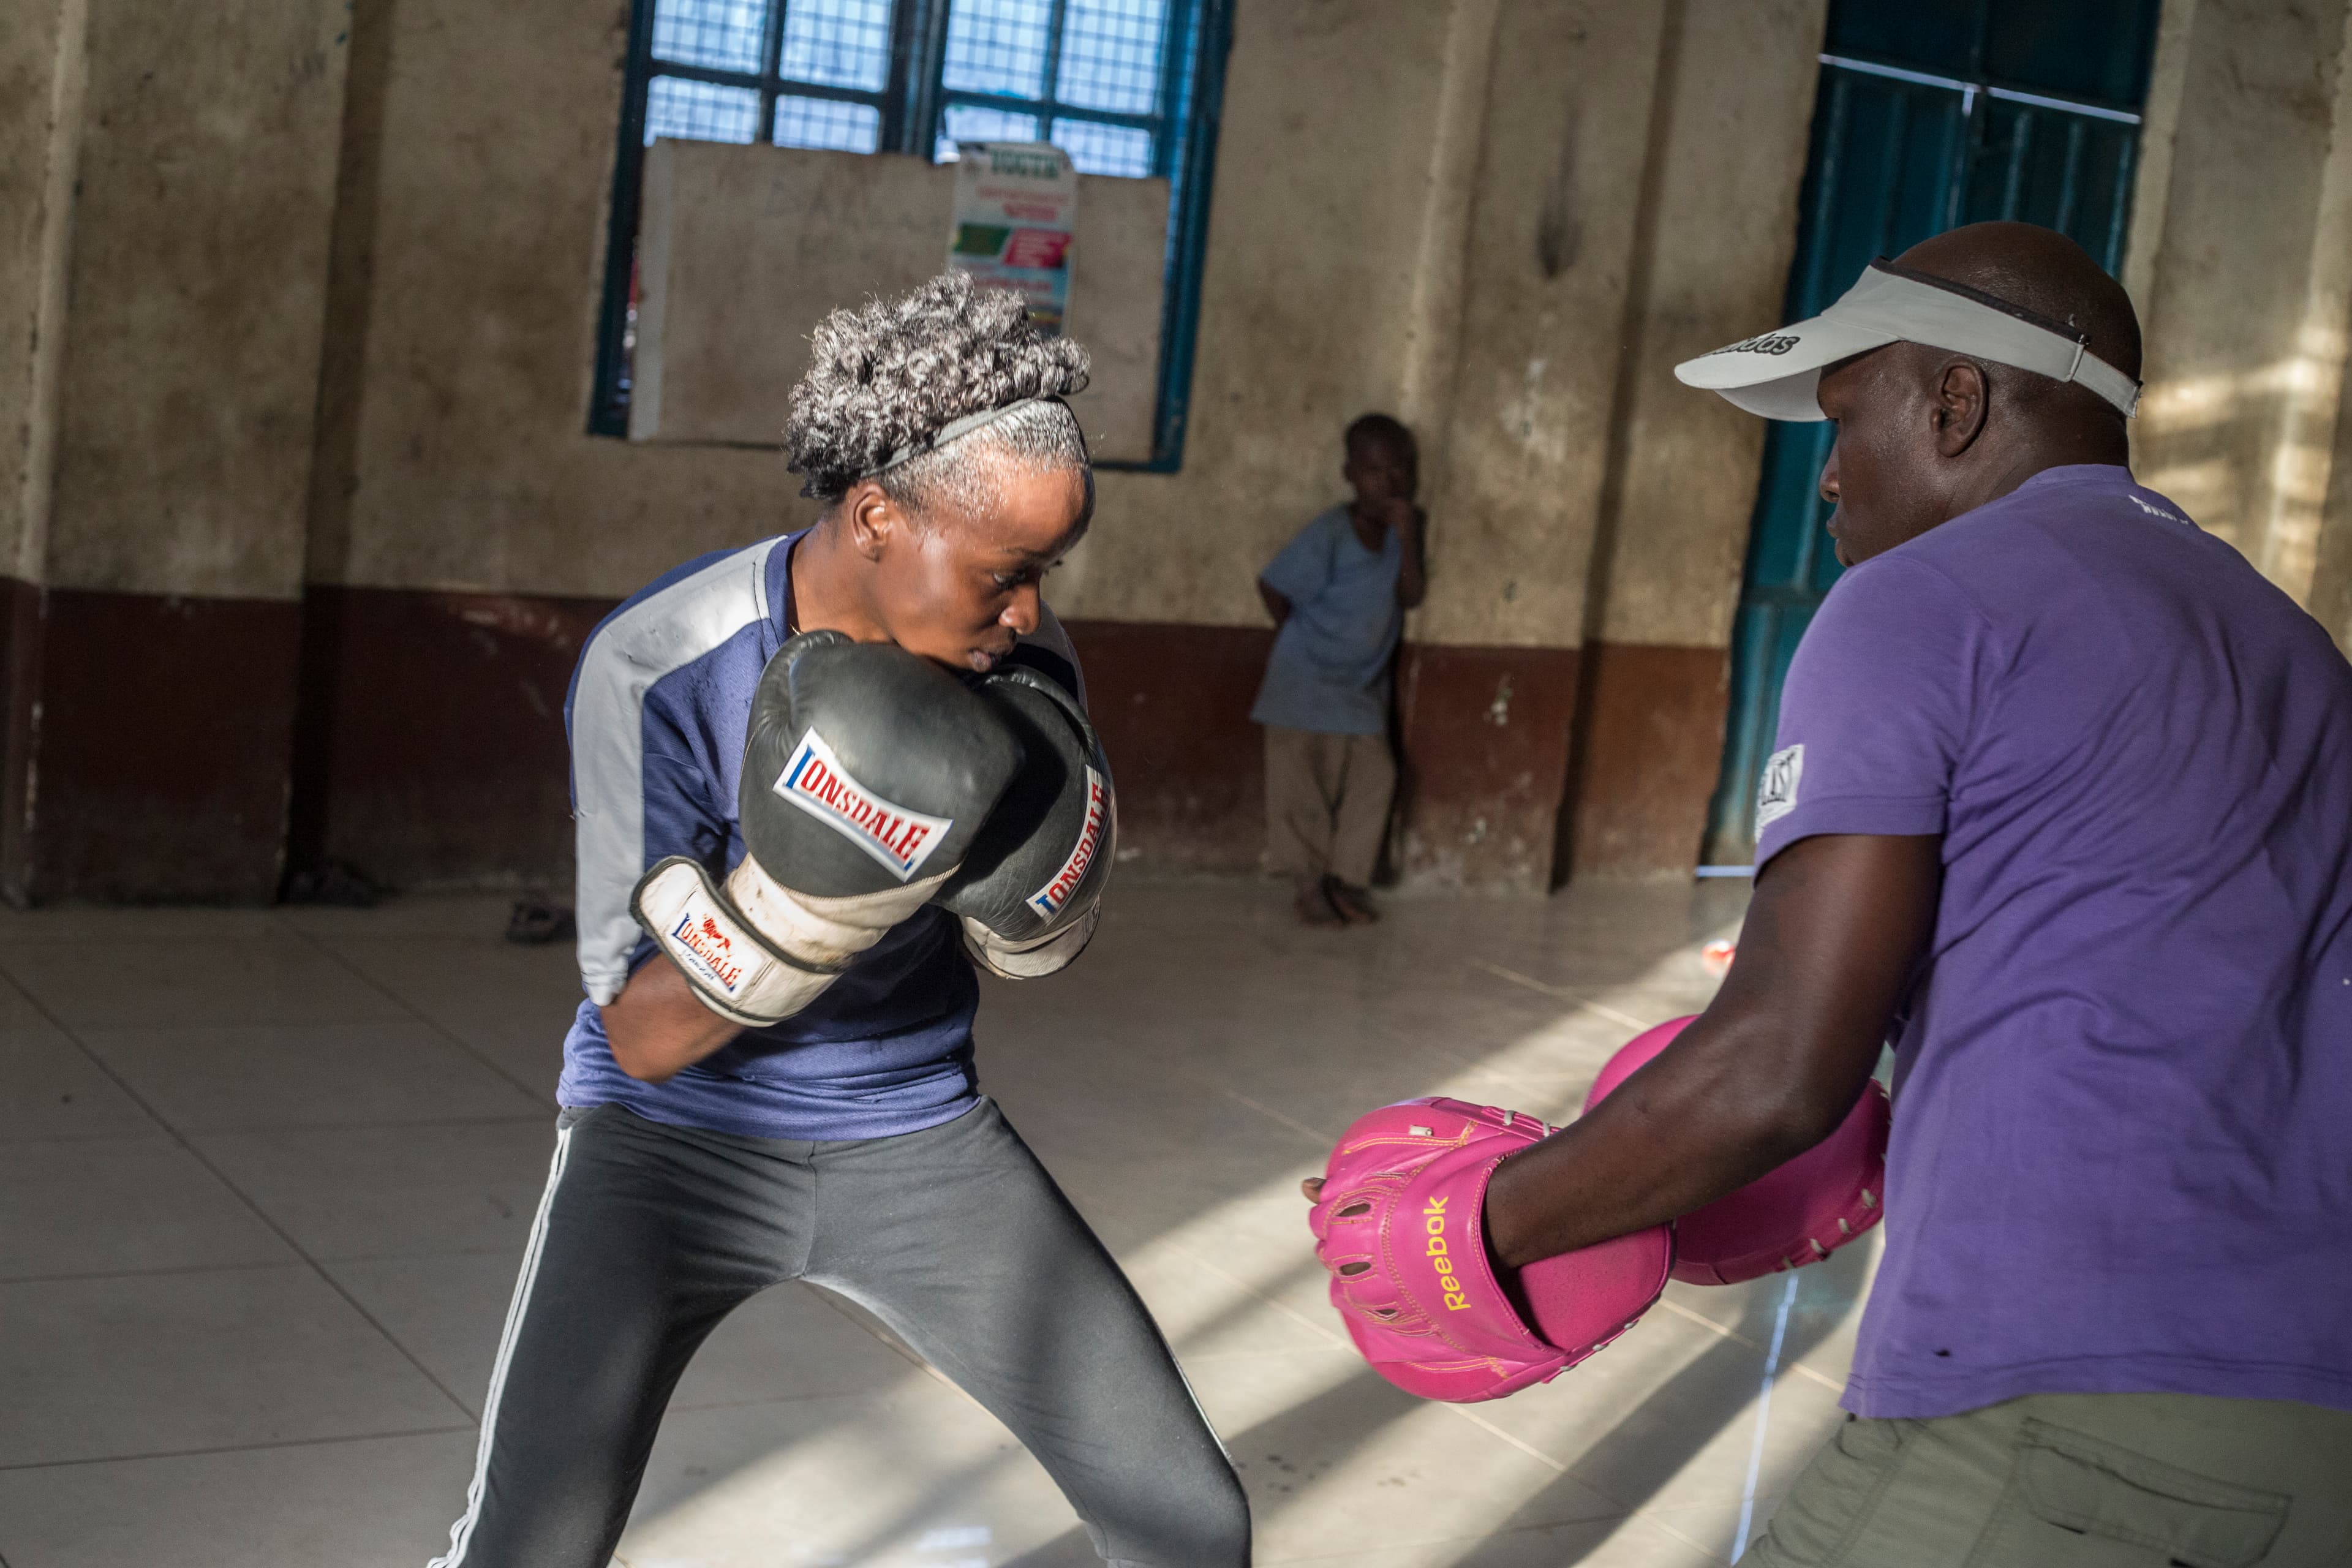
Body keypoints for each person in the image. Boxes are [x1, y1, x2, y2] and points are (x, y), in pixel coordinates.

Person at [1321, 222, 2352, 1562]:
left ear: (1955, 401)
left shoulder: (1918, 600)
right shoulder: (2291, 643)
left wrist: (1483, 1225)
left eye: (1843, 417)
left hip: (2051, 1404)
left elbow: (1778, 1069)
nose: (1829, 476)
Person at [428, 274, 1250, 1568]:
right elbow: (638, 1034)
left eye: (1045, 575)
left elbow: (1032, 940)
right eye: (1005, 574)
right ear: (876, 515)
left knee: (1191, 1522)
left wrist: (1034, 890)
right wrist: (815, 897)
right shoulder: (656, 663)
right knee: (523, 1549)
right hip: (667, 1145)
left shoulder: (1019, 659)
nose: (1030, 611)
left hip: (916, 1129)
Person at [1250, 413, 1427, 925]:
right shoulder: (1331, 530)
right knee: (1300, 789)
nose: (1388, 482)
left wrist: (1410, 538)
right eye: (1374, 471)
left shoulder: (1402, 533)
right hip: (1301, 682)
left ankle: (1345, 882)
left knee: (1376, 778)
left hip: (1361, 688)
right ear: (1350, 473)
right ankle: (1309, 888)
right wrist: (1303, 641)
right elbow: (1273, 586)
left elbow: (1411, 595)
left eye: (1399, 470)